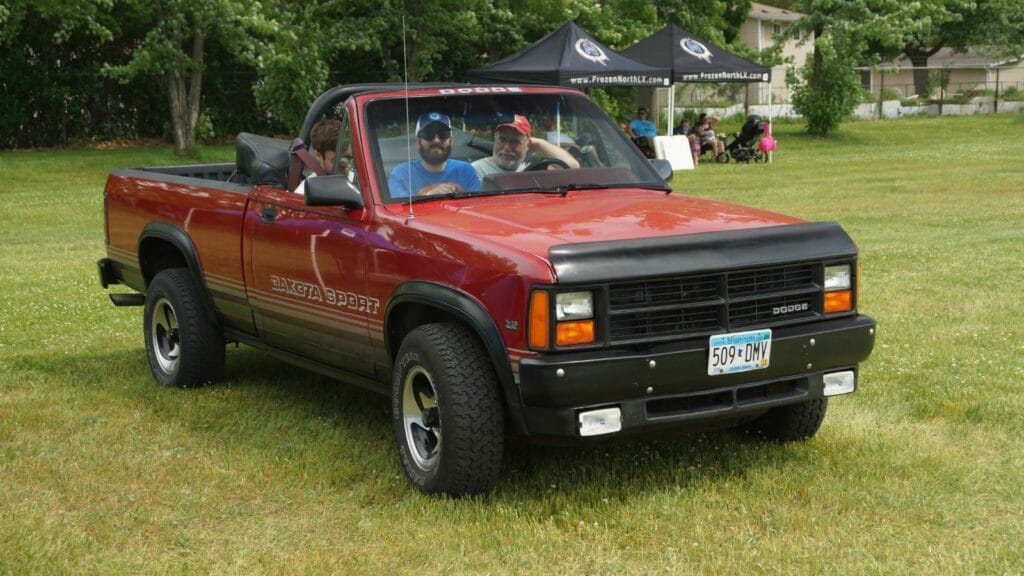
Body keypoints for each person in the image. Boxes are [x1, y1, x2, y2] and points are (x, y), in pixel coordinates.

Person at [388, 112, 480, 198]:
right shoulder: (401, 175)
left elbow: (477, 207)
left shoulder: (466, 171)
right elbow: (399, 211)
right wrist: (430, 195)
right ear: (418, 142)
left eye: (443, 134)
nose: (436, 140)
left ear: (451, 141)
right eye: (429, 134)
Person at [472, 114, 579, 179]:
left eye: (515, 142)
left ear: (527, 145)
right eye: (502, 140)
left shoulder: (533, 169)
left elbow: (573, 167)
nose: (507, 148)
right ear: (494, 140)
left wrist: (540, 143)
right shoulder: (476, 170)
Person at [295, 119, 340, 194]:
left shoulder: (355, 178)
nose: (344, 165)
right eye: (334, 160)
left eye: (348, 157)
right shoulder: (306, 191)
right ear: (318, 155)